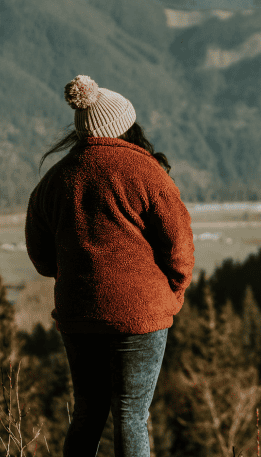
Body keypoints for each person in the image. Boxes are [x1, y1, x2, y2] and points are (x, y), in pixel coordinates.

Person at [25, 75, 194, 457]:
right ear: (126, 125)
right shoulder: (148, 173)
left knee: (87, 411)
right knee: (131, 415)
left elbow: (41, 257)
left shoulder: (54, 181)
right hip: (141, 313)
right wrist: (174, 291)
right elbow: (179, 246)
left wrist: (78, 277)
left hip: (79, 314)